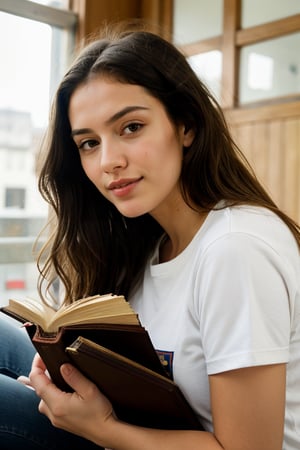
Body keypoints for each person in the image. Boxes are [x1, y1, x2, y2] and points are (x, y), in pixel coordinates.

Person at [0, 22, 299, 450]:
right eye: (88, 143)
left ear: (186, 126)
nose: (108, 161)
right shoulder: (147, 241)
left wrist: (100, 428)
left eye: (131, 128)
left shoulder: (236, 249)